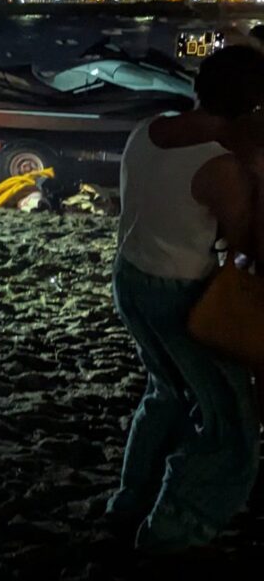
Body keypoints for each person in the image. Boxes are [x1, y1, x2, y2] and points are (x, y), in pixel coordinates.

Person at [107, 44, 264, 552]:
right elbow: (245, 247)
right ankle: (170, 528)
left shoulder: (148, 129)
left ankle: (130, 500)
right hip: (179, 297)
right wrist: (256, 170)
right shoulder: (222, 168)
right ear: (251, 106)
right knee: (229, 423)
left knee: (166, 392)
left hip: (129, 278)